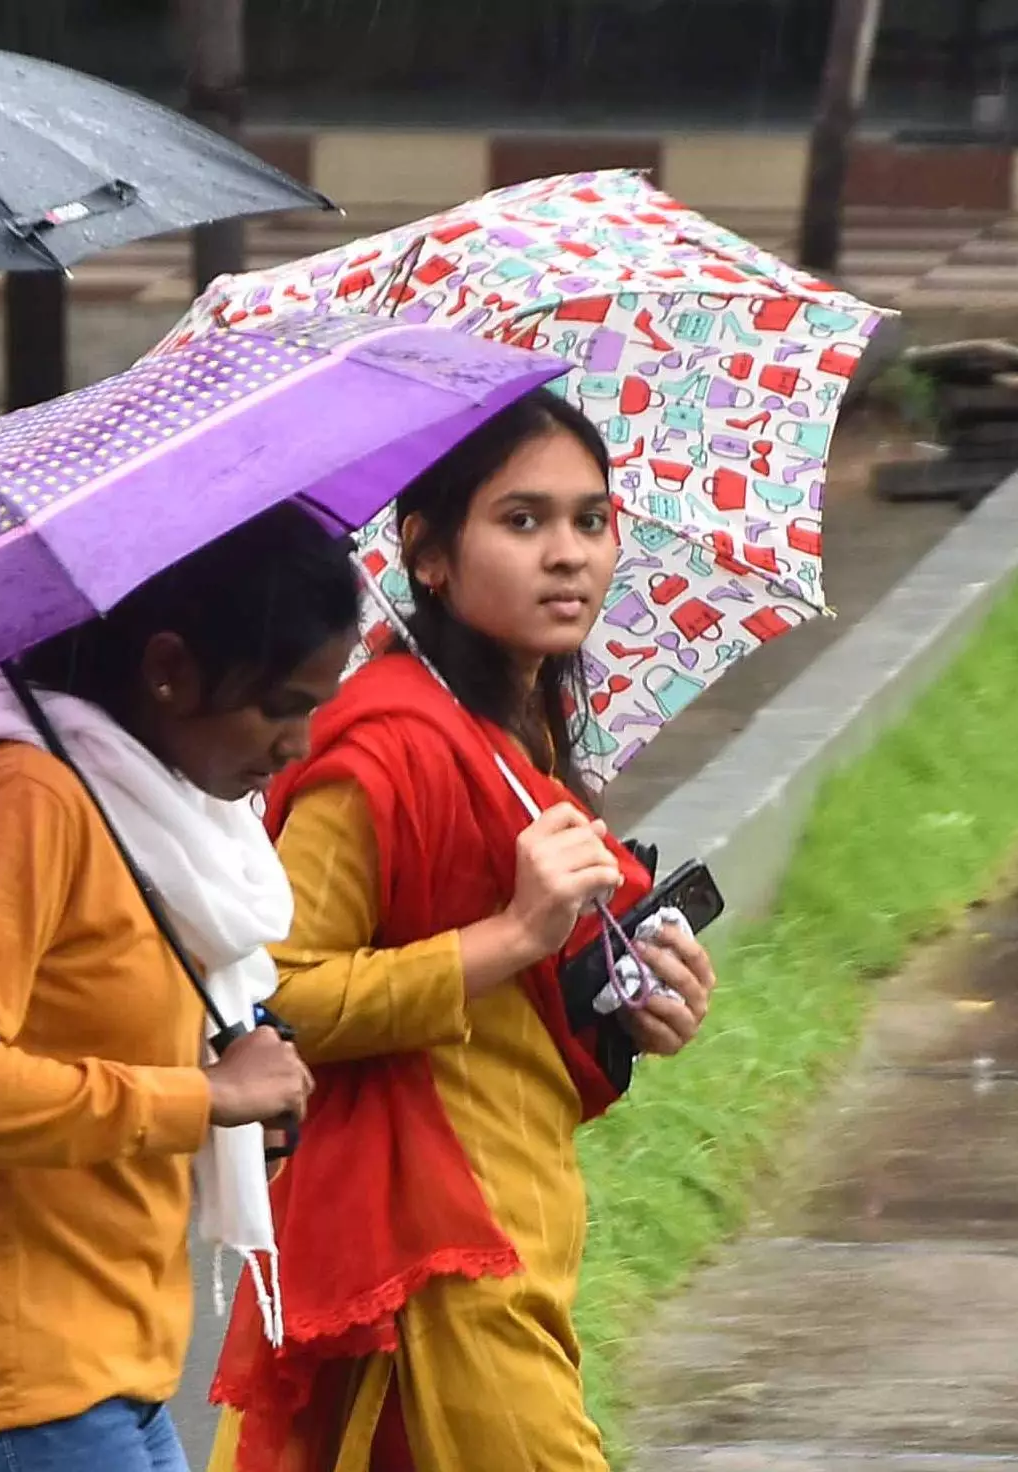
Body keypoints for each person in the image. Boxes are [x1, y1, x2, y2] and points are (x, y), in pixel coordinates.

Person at [208, 392, 719, 1472]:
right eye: (522, 520)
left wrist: (637, 999)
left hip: (520, 1210)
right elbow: (280, 1000)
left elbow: (520, 1012)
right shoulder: (384, 745)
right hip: (430, 1234)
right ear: (428, 554)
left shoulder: (517, 733)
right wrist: (516, 931)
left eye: (590, 519)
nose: (568, 555)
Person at [0, 502, 361, 1472]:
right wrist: (202, 1094)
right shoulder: (28, 798)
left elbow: (108, 1058)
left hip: (102, 1379)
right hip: (3, 1396)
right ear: (168, 668)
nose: (298, 742)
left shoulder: (155, 814)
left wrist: (232, 1103)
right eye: (281, 702)